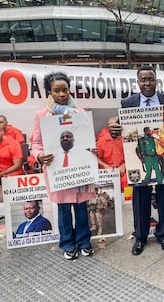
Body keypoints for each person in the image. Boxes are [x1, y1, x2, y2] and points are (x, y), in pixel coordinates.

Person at [119, 65, 164, 256]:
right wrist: (116, 130)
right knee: (140, 197)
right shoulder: (127, 103)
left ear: (156, 80)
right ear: (138, 81)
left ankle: (163, 234)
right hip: (141, 157)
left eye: (151, 79)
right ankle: (141, 236)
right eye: (143, 79)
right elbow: (124, 130)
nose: (147, 83)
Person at [31, 71, 95, 260]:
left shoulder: (80, 114)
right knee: (64, 210)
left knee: (82, 208)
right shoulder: (41, 115)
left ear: (69, 90)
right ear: (49, 93)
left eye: (65, 90)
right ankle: (68, 244)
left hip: (80, 169)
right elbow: (36, 144)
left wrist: (93, 149)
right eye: (56, 91)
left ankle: (84, 241)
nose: (61, 94)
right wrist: (39, 155)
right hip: (57, 170)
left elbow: (88, 140)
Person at [96, 116, 128, 190]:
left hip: (124, 171)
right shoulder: (102, 140)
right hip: (107, 171)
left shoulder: (126, 139)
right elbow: (96, 158)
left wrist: (124, 165)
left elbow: (133, 155)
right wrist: (106, 166)